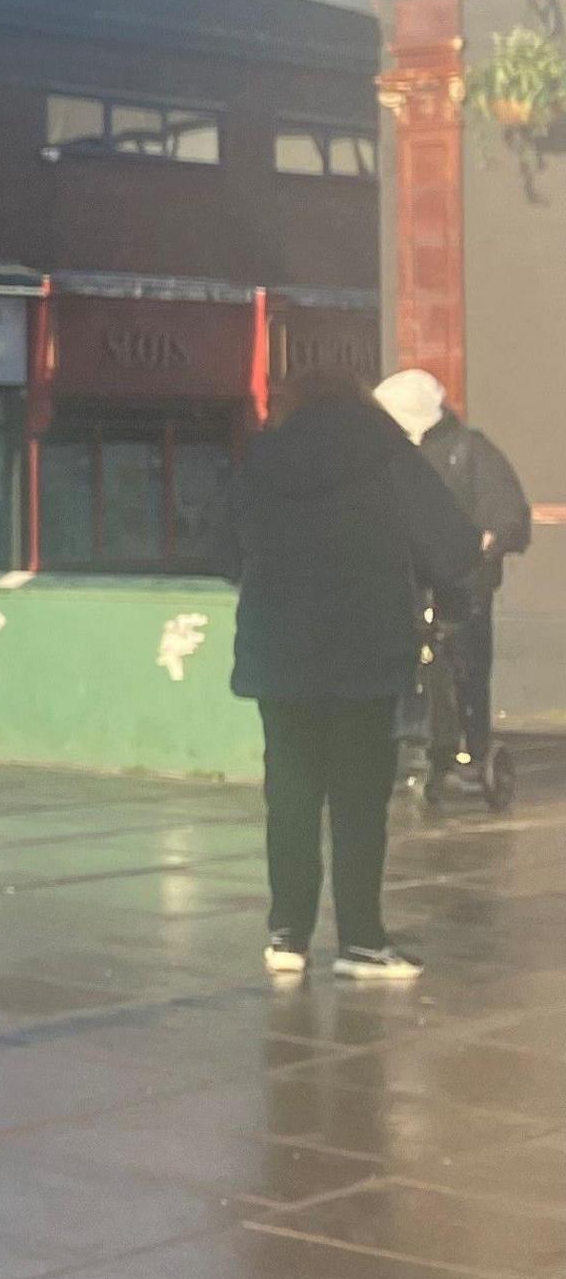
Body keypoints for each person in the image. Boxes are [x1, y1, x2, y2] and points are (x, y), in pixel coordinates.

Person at [225, 374, 480, 981]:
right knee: (360, 798)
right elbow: (450, 546)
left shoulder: (263, 456)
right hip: (365, 647)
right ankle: (361, 940)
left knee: (288, 793)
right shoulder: (386, 452)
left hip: (279, 648)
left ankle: (287, 935)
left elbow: (216, 545)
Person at [376, 369, 532, 810]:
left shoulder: (468, 451)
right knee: (418, 671)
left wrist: (488, 541)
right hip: (412, 584)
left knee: (461, 667)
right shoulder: (395, 456)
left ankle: (465, 748)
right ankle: (428, 747)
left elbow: (507, 517)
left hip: (461, 588)